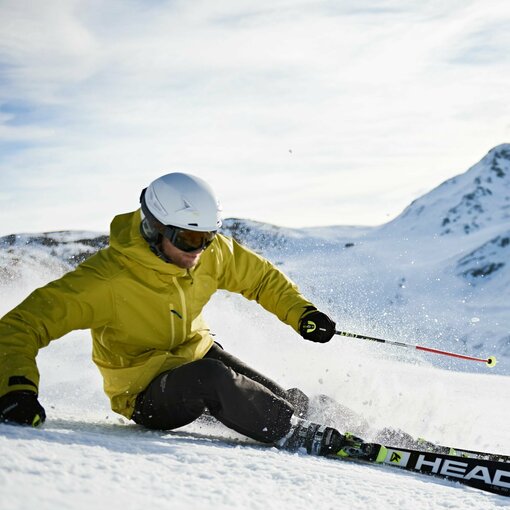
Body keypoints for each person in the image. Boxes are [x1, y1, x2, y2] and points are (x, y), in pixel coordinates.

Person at [0, 172, 363, 457]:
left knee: (277, 399)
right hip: (144, 392)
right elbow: (21, 325)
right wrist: (16, 389)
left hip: (198, 354)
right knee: (214, 379)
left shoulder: (209, 251)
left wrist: (302, 313)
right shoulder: (106, 280)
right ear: (154, 228)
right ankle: (305, 435)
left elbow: (261, 279)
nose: (200, 250)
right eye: (190, 240)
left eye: (207, 238)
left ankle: (362, 433)